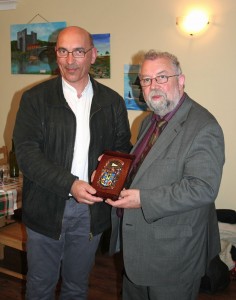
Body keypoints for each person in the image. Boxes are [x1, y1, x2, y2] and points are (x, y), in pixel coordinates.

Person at [13, 26, 131, 300]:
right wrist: (70, 184)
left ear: (92, 55)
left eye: (78, 51)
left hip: (90, 212)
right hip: (46, 209)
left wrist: (110, 171)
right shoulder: (34, 99)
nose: (70, 60)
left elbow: (122, 149)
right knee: (40, 286)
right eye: (63, 51)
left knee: (77, 287)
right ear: (56, 55)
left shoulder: (112, 102)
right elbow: (27, 155)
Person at [106, 50, 225, 300]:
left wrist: (143, 199)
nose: (153, 86)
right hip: (138, 250)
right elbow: (144, 169)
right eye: (146, 80)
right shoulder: (150, 121)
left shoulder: (204, 126)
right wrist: (113, 168)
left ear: (180, 81)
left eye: (161, 77)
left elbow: (202, 188)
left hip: (173, 255)